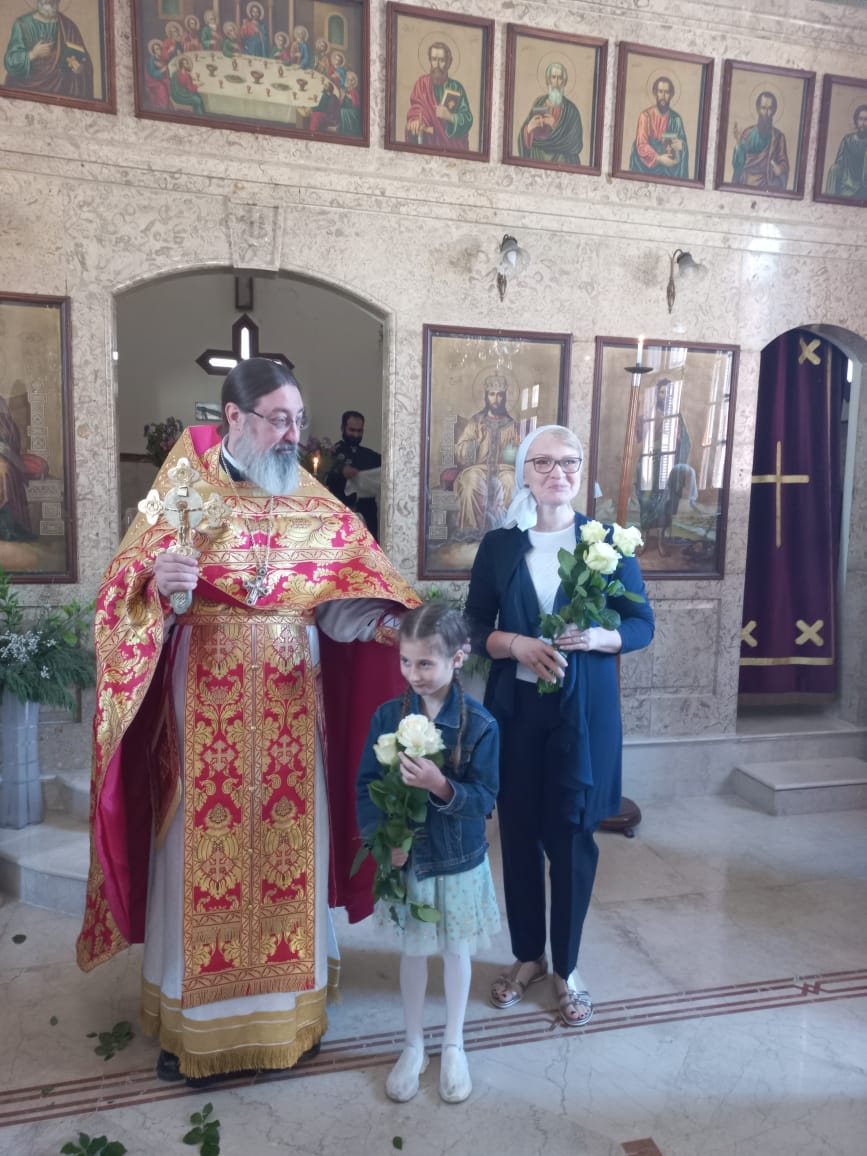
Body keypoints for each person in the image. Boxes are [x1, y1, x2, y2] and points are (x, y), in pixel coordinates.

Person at [76, 358, 419, 1087]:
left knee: (292, 844)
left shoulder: (317, 504)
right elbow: (118, 597)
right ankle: (192, 1026)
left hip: (295, 702)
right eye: (279, 420)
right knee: (200, 849)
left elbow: (347, 601)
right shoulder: (180, 493)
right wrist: (156, 588)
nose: (294, 435)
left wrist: (399, 628)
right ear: (234, 417)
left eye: (300, 420)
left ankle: (290, 1016)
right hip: (203, 702)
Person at [464, 426, 654, 1028]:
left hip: (582, 715)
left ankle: (567, 968)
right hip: (517, 711)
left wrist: (599, 637)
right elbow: (474, 625)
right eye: (543, 462)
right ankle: (529, 956)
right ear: (524, 471)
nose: (557, 472)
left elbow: (642, 625)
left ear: (580, 471)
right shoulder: (500, 546)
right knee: (518, 836)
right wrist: (515, 644)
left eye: (569, 461)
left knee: (572, 838)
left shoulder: (608, 542)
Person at [356, 603, 500, 1104]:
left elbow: (485, 797)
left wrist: (442, 786)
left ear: (458, 659)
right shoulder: (387, 718)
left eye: (425, 663)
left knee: (456, 951)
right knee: (413, 951)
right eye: (405, 662)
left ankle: (454, 1043)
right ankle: (413, 1044)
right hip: (410, 861)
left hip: (458, 861)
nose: (413, 674)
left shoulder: (481, 725)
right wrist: (383, 840)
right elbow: (367, 786)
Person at [452, 375, 521, 535]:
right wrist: (474, 445)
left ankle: (505, 533)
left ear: (504, 397)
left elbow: (520, 455)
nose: (496, 399)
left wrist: (517, 447)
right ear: (486, 396)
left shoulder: (512, 425)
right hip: (478, 468)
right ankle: (471, 532)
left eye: (500, 394)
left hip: (504, 469)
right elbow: (460, 447)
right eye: (492, 394)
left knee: (511, 482)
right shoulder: (476, 421)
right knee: (471, 481)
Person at [3, 0, 94, 100]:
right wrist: (33, 54)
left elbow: (84, 61)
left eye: (53, 3)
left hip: (61, 88)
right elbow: (11, 61)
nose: (50, 6)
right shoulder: (22, 24)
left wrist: (79, 68)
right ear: (39, 2)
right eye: (46, 3)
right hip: (26, 88)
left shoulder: (68, 26)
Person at [405, 42, 472, 152]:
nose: (437, 64)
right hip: (428, 144)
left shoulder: (457, 88)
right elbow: (417, 108)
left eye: (441, 60)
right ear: (430, 60)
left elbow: (467, 119)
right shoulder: (422, 84)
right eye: (434, 59)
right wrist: (416, 121)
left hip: (451, 149)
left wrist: (450, 116)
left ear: (449, 62)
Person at [325, 410, 382, 539]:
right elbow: (323, 477)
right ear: (342, 428)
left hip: (367, 514)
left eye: (359, 431)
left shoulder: (370, 455)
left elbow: (389, 467)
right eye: (352, 430)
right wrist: (340, 471)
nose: (355, 435)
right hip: (339, 515)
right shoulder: (330, 454)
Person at [518, 61, 584, 166]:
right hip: (537, 158)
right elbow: (525, 133)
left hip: (561, 161)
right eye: (553, 77)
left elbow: (576, 145)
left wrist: (554, 126)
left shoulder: (571, 110)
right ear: (548, 80)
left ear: (564, 81)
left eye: (560, 78)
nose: (556, 82)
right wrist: (529, 129)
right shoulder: (539, 102)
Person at [628, 76, 689, 179]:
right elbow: (641, 145)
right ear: (655, 93)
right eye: (660, 91)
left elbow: (683, 144)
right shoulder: (645, 116)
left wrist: (681, 144)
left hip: (670, 168)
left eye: (667, 92)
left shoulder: (676, 119)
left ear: (671, 95)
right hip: (646, 167)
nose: (663, 96)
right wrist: (659, 158)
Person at [731, 91, 789, 191]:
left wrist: (780, 169)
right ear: (758, 109)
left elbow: (783, 163)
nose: (766, 113)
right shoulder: (748, 133)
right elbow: (738, 164)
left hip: (767, 184)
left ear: (774, 110)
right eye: (763, 108)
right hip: (746, 183)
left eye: (769, 108)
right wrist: (738, 143)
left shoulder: (779, 137)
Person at [825, 103, 867, 200]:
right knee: (833, 168)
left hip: (864, 183)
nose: (863, 123)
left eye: (866, 119)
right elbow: (839, 162)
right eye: (861, 119)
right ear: (856, 121)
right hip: (848, 182)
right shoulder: (847, 140)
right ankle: (828, 200)